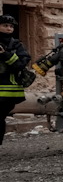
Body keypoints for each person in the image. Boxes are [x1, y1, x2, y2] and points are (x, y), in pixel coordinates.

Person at [0, 14, 31, 147]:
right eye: (5, 25)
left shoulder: (16, 45)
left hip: (8, 92)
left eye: (11, 26)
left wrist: (6, 55)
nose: (8, 28)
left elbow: (21, 64)